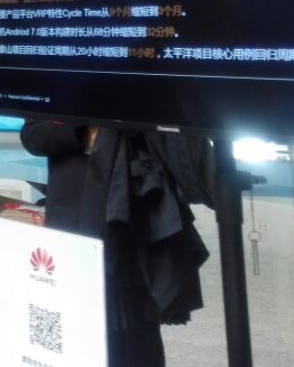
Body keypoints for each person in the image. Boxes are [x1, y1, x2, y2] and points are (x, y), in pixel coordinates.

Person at [21, 121, 210, 367]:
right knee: (81, 331)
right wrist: (84, 132)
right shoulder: (59, 97)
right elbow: (33, 136)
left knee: (138, 334)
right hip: (77, 226)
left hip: (138, 218)